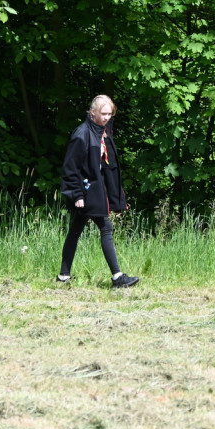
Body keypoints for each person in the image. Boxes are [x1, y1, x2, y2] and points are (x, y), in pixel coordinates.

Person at [59, 95, 139, 288]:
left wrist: (116, 197)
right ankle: (117, 277)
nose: (107, 117)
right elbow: (71, 167)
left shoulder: (103, 131)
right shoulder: (82, 133)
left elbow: (108, 168)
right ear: (92, 112)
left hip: (96, 191)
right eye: (103, 114)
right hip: (86, 192)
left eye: (110, 114)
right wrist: (76, 194)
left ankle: (63, 276)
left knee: (75, 231)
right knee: (106, 227)